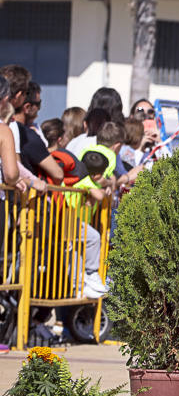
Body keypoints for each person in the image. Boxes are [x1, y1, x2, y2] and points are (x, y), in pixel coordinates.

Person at [65, 150, 112, 298]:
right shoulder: (84, 180)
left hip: (73, 220)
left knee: (76, 255)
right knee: (94, 238)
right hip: (70, 219)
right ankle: (92, 273)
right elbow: (98, 195)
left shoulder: (87, 180)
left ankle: (79, 287)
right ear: (96, 175)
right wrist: (104, 190)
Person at [13, 81, 63, 183]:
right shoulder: (29, 136)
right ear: (27, 107)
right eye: (38, 104)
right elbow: (58, 173)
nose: (39, 110)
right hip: (22, 196)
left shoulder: (5, 128)